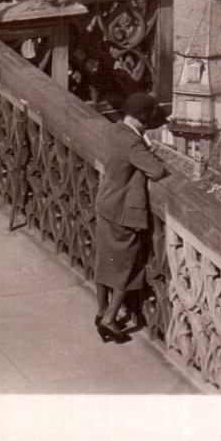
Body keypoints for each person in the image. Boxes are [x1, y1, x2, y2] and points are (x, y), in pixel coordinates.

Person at [91, 90, 168, 342]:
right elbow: (156, 171)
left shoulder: (114, 132)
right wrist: (150, 151)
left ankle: (101, 310)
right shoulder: (133, 143)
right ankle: (110, 319)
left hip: (105, 204)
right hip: (123, 212)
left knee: (104, 261)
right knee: (126, 267)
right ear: (144, 119)